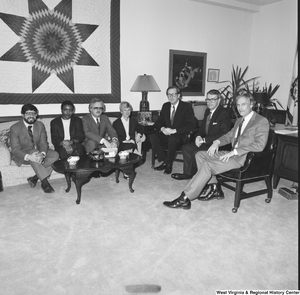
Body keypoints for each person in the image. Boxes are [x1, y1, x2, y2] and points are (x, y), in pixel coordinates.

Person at [163, 93, 270, 209]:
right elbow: (229, 135)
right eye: (238, 105)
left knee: (208, 165)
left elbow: (259, 145)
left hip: (243, 158)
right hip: (232, 154)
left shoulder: (261, 121)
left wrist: (234, 152)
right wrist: (217, 142)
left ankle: (185, 197)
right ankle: (214, 187)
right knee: (200, 155)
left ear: (252, 104)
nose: (240, 108)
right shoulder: (240, 120)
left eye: (243, 104)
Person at [171, 89, 231, 180]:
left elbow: (224, 133)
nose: (209, 102)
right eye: (208, 99)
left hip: (218, 144)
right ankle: (188, 173)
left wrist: (204, 140)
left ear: (219, 100)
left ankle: (198, 175)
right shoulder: (207, 111)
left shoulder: (224, 113)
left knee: (196, 152)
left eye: (213, 99)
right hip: (207, 141)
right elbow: (202, 128)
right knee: (186, 148)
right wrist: (198, 136)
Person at [10, 104, 59, 193]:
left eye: (34, 113)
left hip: (38, 151)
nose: (31, 116)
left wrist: (43, 154)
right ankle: (45, 183)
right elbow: (15, 149)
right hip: (23, 154)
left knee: (55, 155)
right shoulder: (15, 128)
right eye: (28, 113)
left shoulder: (40, 125)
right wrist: (29, 156)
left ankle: (35, 178)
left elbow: (43, 142)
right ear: (22, 115)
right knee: (34, 152)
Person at [150, 85, 196, 174]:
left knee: (172, 139)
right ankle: (165, 160)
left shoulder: (186, 107)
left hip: (181, 135)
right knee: (153, 136)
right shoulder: (166, 106)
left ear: (178, 95)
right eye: (169, 95)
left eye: (173, 94)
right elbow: (159, 122)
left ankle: (168, 164)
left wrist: (174, 131)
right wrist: (162, 128)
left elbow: (191, 125)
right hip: (167, 133)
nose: (171, 97)